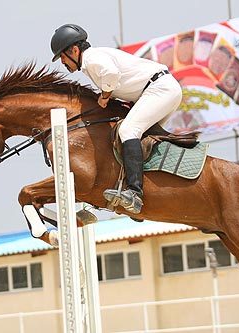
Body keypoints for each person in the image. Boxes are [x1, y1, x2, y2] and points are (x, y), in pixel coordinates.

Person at [50, 24, 183, 214]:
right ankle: (147, 191)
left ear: (74, 50)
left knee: (128, 131)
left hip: (158, 90)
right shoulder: (91, 61)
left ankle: (135, 193)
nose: (63, 62)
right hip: (159, 90)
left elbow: (112, 74)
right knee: (140, 140)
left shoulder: (92, 58)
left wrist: (105, 96)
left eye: (62, 56)